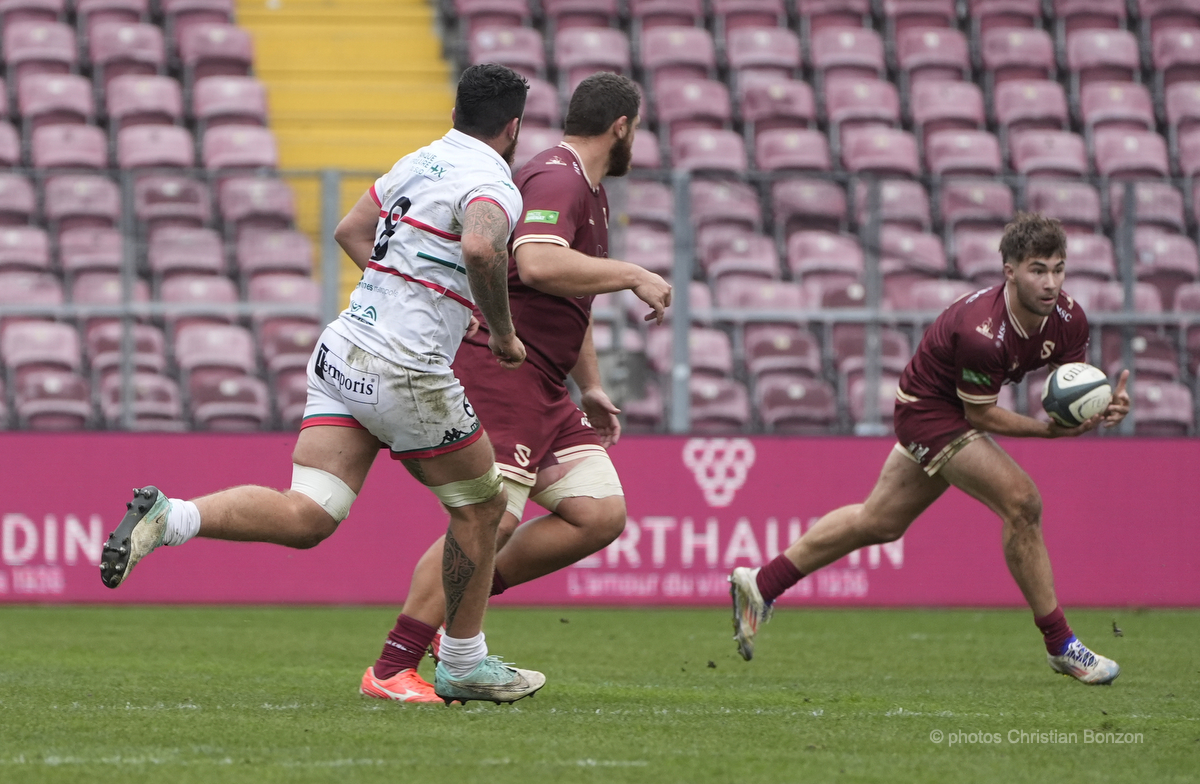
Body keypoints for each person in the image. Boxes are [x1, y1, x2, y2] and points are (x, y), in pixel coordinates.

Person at [98, 64, 546, 705]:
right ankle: (463, 663)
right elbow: (481, 249)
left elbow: (350, 231)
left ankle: (174, 517)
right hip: (405, 369)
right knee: (484, 509)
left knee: (310, 511)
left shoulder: (418, 160)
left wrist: (405, 288)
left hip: (344, 348)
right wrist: (501, 333)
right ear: (513, 127)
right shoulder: (494, 183)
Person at [348, 72, 673, 702]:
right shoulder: (557, 177)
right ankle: (393, 665)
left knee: (597, 513)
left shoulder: (586, 188)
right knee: (485, 523)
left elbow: (562, 293)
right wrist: (633, 272)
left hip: (548, 386)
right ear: (623, 126)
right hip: (504, 375)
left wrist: (594, 387)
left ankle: (457, 622)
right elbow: (539, 265)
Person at [729, 212, 1131, 685]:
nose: (1050, 282)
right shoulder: (983, 331)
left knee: (878, 521)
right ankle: (1061, 645)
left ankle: (761, 583)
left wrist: (1103, 406)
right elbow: (979, 415)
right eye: (1037, 270)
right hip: (928, 412)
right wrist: (1046, 432)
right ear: (1010, 271)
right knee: (1022, 503)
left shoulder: (1068, 317)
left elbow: (1072, 388)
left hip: (951, 412)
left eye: (1058, 269)